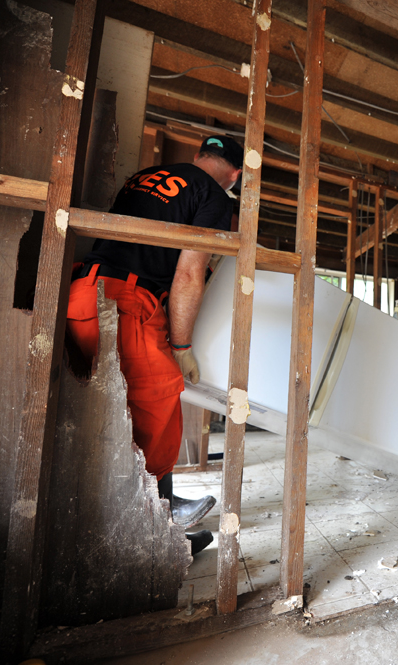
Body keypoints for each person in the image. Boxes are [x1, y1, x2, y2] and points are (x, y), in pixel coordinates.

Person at [66, 135, 244, 555]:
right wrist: (181, 346)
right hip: (124, 303)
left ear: (199, 155)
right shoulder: (213, 197)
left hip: (80, 294)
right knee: (158, 401)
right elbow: (187, 276)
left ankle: (158, 525)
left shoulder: (144, 178)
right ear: (235, 175)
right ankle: (159, 516)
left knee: (96, 411)